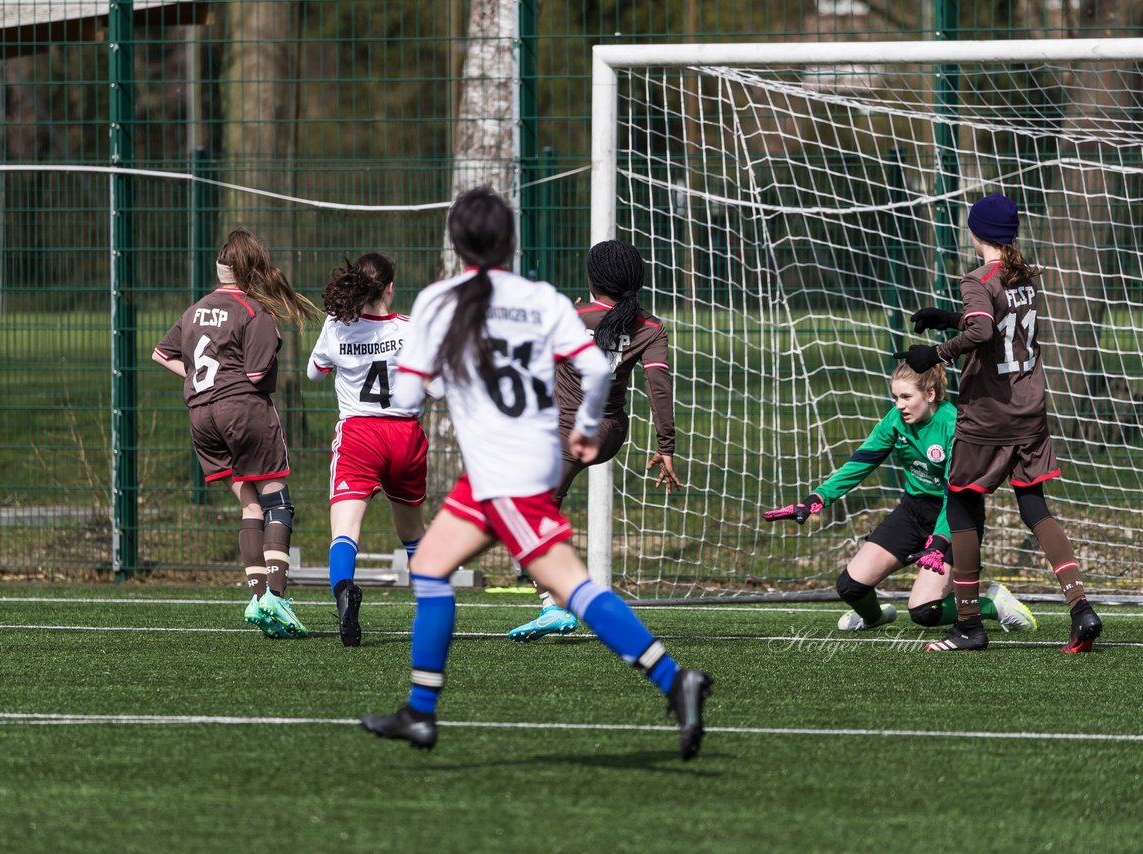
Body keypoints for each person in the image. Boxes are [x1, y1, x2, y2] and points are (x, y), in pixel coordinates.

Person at [359, 188, 712, 759]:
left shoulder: (438, 302)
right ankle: (419, 712)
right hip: (521, 460)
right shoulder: (543, 299)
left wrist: (455, 382)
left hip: (506, 469)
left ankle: (675, 680)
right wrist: (588, 425)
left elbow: (405, 395)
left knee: (569, 585)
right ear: (509, 241)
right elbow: (596, 369)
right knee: (429, 566)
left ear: (455, 241)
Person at [896, 193, 1103, 652]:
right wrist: (951, 318)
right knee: (1034, 507)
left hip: (988, 414)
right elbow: (1000, 323)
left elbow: (985, 331)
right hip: (1029, 410)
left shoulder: (977, 277)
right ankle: (1080, 607)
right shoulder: (1023, 275)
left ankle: (969, 624)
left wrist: (935, 352)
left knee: (961, 505)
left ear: (976, 233)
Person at [766, 362, 1036, 634]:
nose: (899, 405)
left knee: (924, 611)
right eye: (895, 397)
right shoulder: (895, 421)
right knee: (850, 587)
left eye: (906, 397)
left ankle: (992, 603)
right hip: (913, 511)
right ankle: (874, 617)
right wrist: (815, 499)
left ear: (930, 395)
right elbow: (861, 462)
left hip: (957, 518)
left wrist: (940, 541)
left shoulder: (955, 428)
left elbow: (956, 496)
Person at [508, 239, 683, 642]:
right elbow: (659, 387)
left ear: (593, 279)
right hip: (611, 432)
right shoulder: (651, 326)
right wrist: (665, 446)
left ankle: (556, 602)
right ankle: (556, 596)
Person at [153, 228, 318, 639]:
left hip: (201, 415)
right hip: (243, 411)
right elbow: (257, 374)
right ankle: (276, 599)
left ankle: (257, 597)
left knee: (250, 506)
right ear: (251, 271)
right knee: (278, 501)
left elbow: (161, 354)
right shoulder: (253, 312)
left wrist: (197, 379)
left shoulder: (195, 310)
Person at [307, 253, 428, 647]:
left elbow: (314, 371)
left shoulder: (337, 326)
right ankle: (431, 609)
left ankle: (344, 590)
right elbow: (439, 388)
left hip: (360, 435)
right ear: (390, 288)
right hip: (405, 434)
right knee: (412, 534)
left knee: (345, 531)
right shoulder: (412, 331)